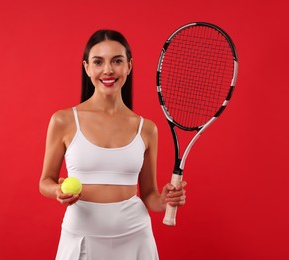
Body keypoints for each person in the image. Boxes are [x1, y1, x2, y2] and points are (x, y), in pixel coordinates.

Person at [39, 29, 187, 260]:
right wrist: (57, 190)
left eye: (117, 61)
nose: (108, 70)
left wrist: (164, 200)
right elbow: (45, 181)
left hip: (135, 236)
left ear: (129, 66)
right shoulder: (63, 120)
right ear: (87, 68)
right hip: (81, 234)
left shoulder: (146, 128)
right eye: (98, 62)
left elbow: (149, 195)